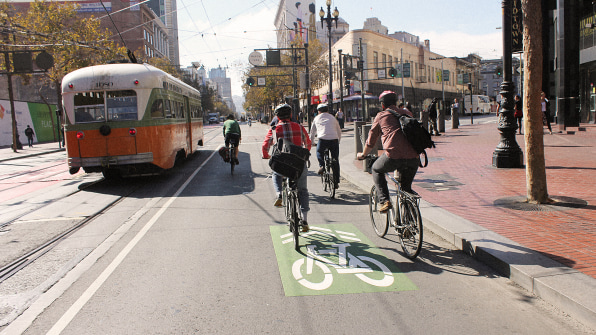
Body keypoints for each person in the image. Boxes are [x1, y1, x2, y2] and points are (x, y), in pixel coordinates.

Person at [356, 91, 419, 213]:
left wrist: (363, 155)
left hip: (393, 156)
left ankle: (385, 201)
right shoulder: (407, 113)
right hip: (414, 157)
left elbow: (371, 142)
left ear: (382, 105)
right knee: (406, 188)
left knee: (376, 169)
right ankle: (409, 222)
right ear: (396, 102)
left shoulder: (381, 116)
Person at [262, 103, 312, 232]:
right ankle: (304, 219)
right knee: (303, 190)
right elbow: (308, 143)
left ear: (277, 117)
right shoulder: (299, 127)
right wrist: (304, 153)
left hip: (282, 163)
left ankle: (279, 194)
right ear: (291, 115)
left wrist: (266, 155)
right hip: (299, 163)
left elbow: (265, 146)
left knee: (276, 173)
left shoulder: (274, 129)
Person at [310, 103, 341, 188]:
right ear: (327, 110)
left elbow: (312, 132)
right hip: (334, 140)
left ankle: (322, 165)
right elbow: (338, 130)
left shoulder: (316, 118)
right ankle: (336, 180)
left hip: (322, 140)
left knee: (319, 152)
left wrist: (312, 142)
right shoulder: (333, 118)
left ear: (318, 111)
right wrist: (338, 140)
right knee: (335, 160)